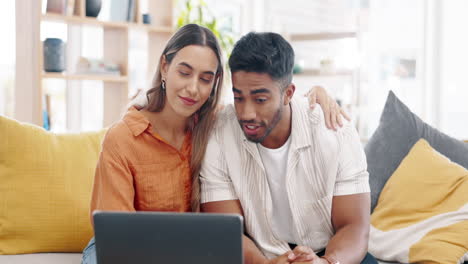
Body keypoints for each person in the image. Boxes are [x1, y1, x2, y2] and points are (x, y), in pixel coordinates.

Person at [81, 24, 348, 264]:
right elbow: (115, 237)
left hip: (191, 250)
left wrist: (318, 96)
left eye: (206, 79)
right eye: (184, 73)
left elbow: (274, 100)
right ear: (165, 67)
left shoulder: (215, 124)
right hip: (130, 250)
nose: (192, 89)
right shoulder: (124, 138)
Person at [200, 32, 377, 264]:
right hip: (259, 256)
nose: (246, 113)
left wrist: (326, 262)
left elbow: (354, 226)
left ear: (288, 94)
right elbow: (227, 231)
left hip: (331, 253)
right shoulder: (220, 134)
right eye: (238, 97)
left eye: (260, 99)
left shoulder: (334, 130)